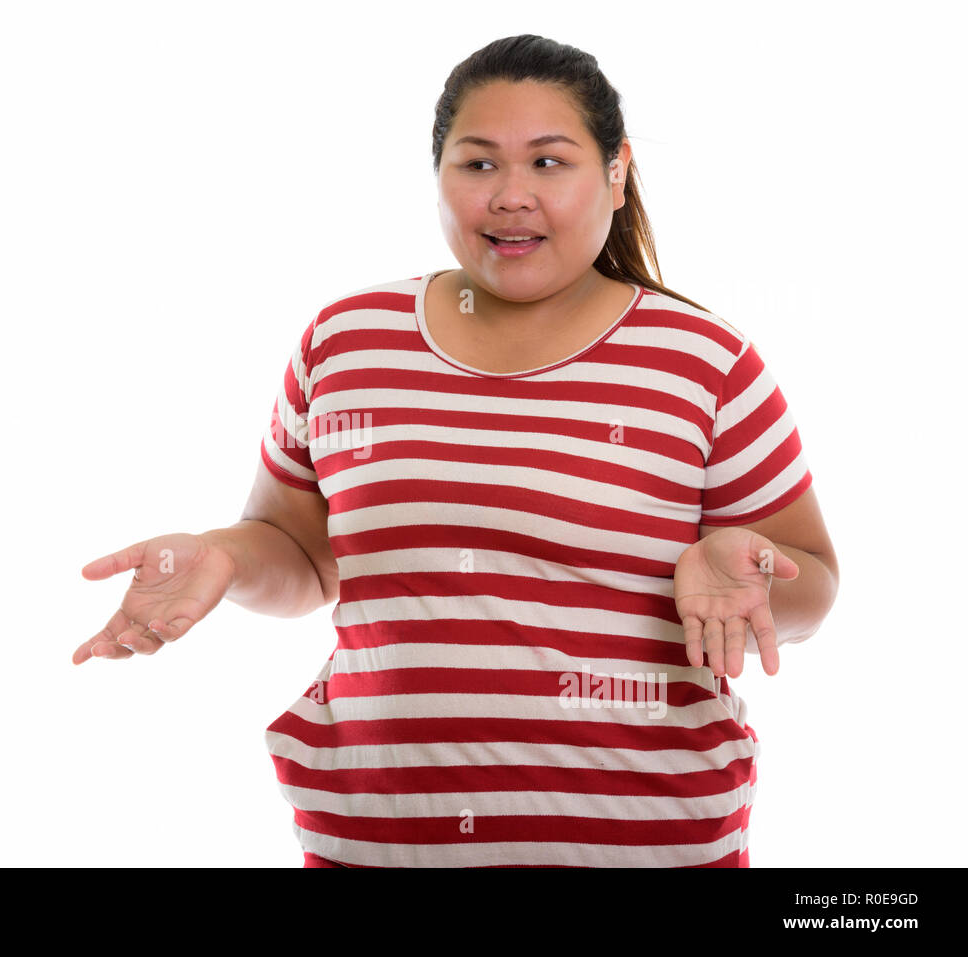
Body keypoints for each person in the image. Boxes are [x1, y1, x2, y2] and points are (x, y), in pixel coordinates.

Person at [71, 34, 840, 868]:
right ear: (438, 175)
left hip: (653, 845)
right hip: (373, 842)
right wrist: (222, 554)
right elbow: (297, 552)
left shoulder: (704, 361)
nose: (511, 197)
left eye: (550, 163)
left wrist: (751, 568)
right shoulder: (347, 342)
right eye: (478, 166)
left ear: (616, 172)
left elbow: (812, 581)